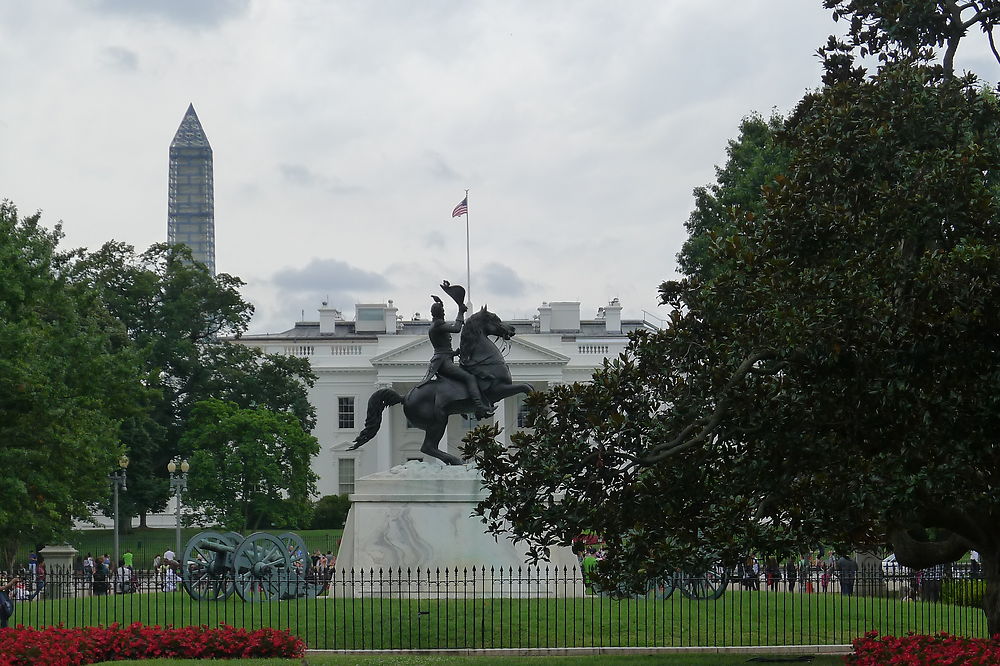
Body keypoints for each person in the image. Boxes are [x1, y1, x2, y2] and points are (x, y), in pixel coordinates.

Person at [419, 283, 493, 420]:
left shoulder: (436, 324)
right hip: (443, 363)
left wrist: (454, 353)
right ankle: (479, 406)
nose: (444, 313)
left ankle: (463, 405)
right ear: (439, 313)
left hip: (444, 359)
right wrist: (460, 311)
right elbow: (457, 328)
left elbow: (442, 348)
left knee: (465, 373)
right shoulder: (438, 325)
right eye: (443, 311)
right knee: (469, 377)